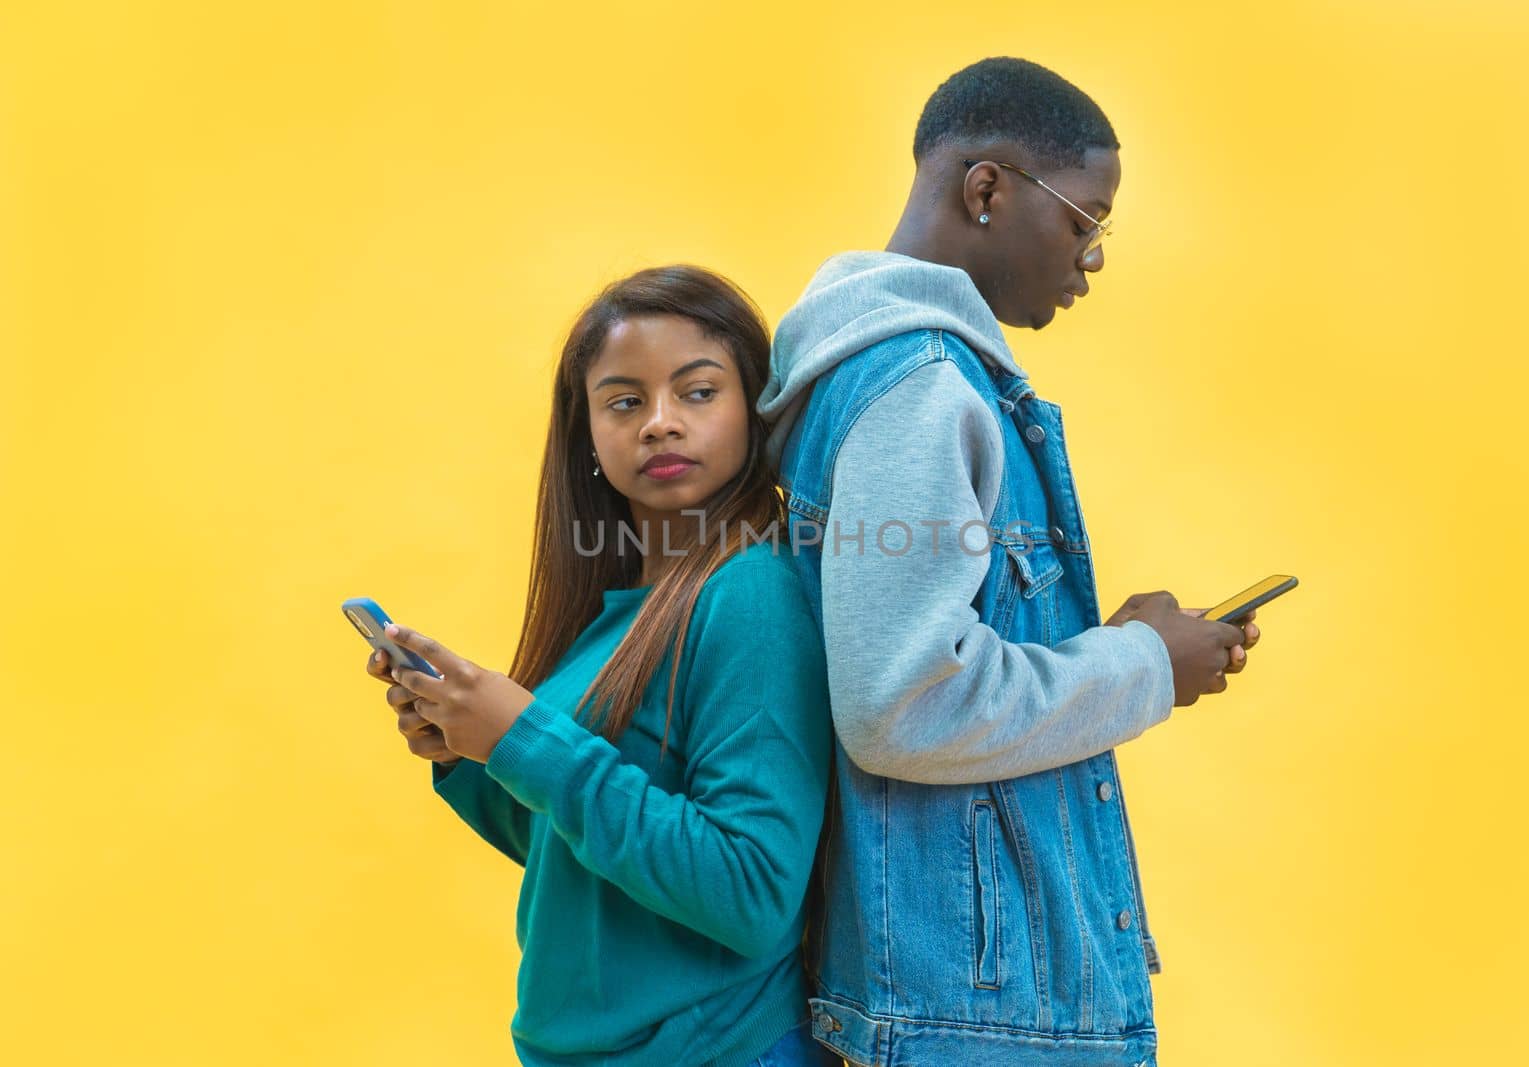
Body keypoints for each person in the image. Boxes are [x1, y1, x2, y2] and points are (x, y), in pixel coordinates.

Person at [756, 58, 1263, 1067]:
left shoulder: (876, 371)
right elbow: (901, 699)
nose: (1092, 259)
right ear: (985, 189)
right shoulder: (920, 388)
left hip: (954, 1000)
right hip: (972, 1017)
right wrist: (1142, 667)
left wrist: (1118, 642)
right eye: (1083, 222)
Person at [363, 265, 838, 1066]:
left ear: (755, 412)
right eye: (624, 401)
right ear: (586, 436)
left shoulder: (751, 591)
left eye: (697, 392)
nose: (659, 423)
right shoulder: (621, 609)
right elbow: (595, 861)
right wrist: (476, 752)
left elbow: (751, 889)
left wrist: (528, 739)